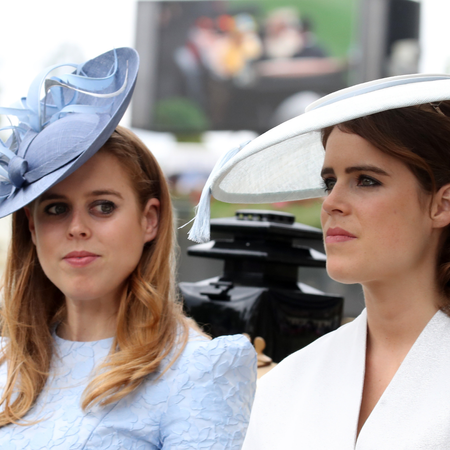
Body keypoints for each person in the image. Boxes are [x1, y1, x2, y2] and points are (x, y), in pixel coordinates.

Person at [0, 48, 257, 449]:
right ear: (32, 229)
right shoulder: (5, 364)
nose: (77, 228)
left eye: (103, 206)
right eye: (56, 209)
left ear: (149, 219)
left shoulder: (197, 369)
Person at [188, 74, 450, 448]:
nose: (331, 203)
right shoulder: (289, 381)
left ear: (442, 204)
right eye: (330, 182)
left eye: (366, 180)